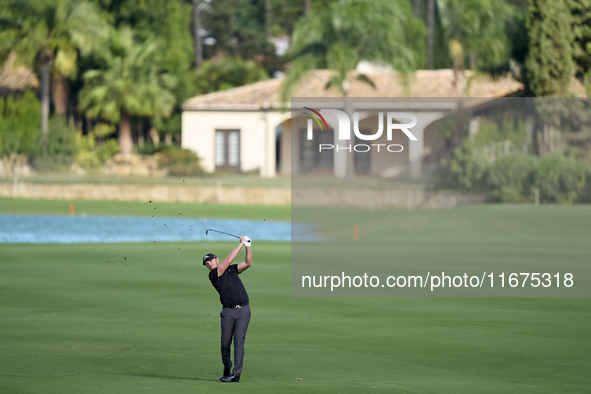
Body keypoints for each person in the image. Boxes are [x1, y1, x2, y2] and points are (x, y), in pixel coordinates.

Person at [203, 235, 252, 383]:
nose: (209, 264)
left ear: (216, 259)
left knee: (239, 342)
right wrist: (241, 243)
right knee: (225, 343)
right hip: (228, 312)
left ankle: (236, 375)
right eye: (206, 264)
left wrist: (248, 245)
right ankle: (227, 366)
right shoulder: (214, 275)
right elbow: (228, 260)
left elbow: (248, 263)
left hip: (244, 310)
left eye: (210, 261)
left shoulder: (231, 270)